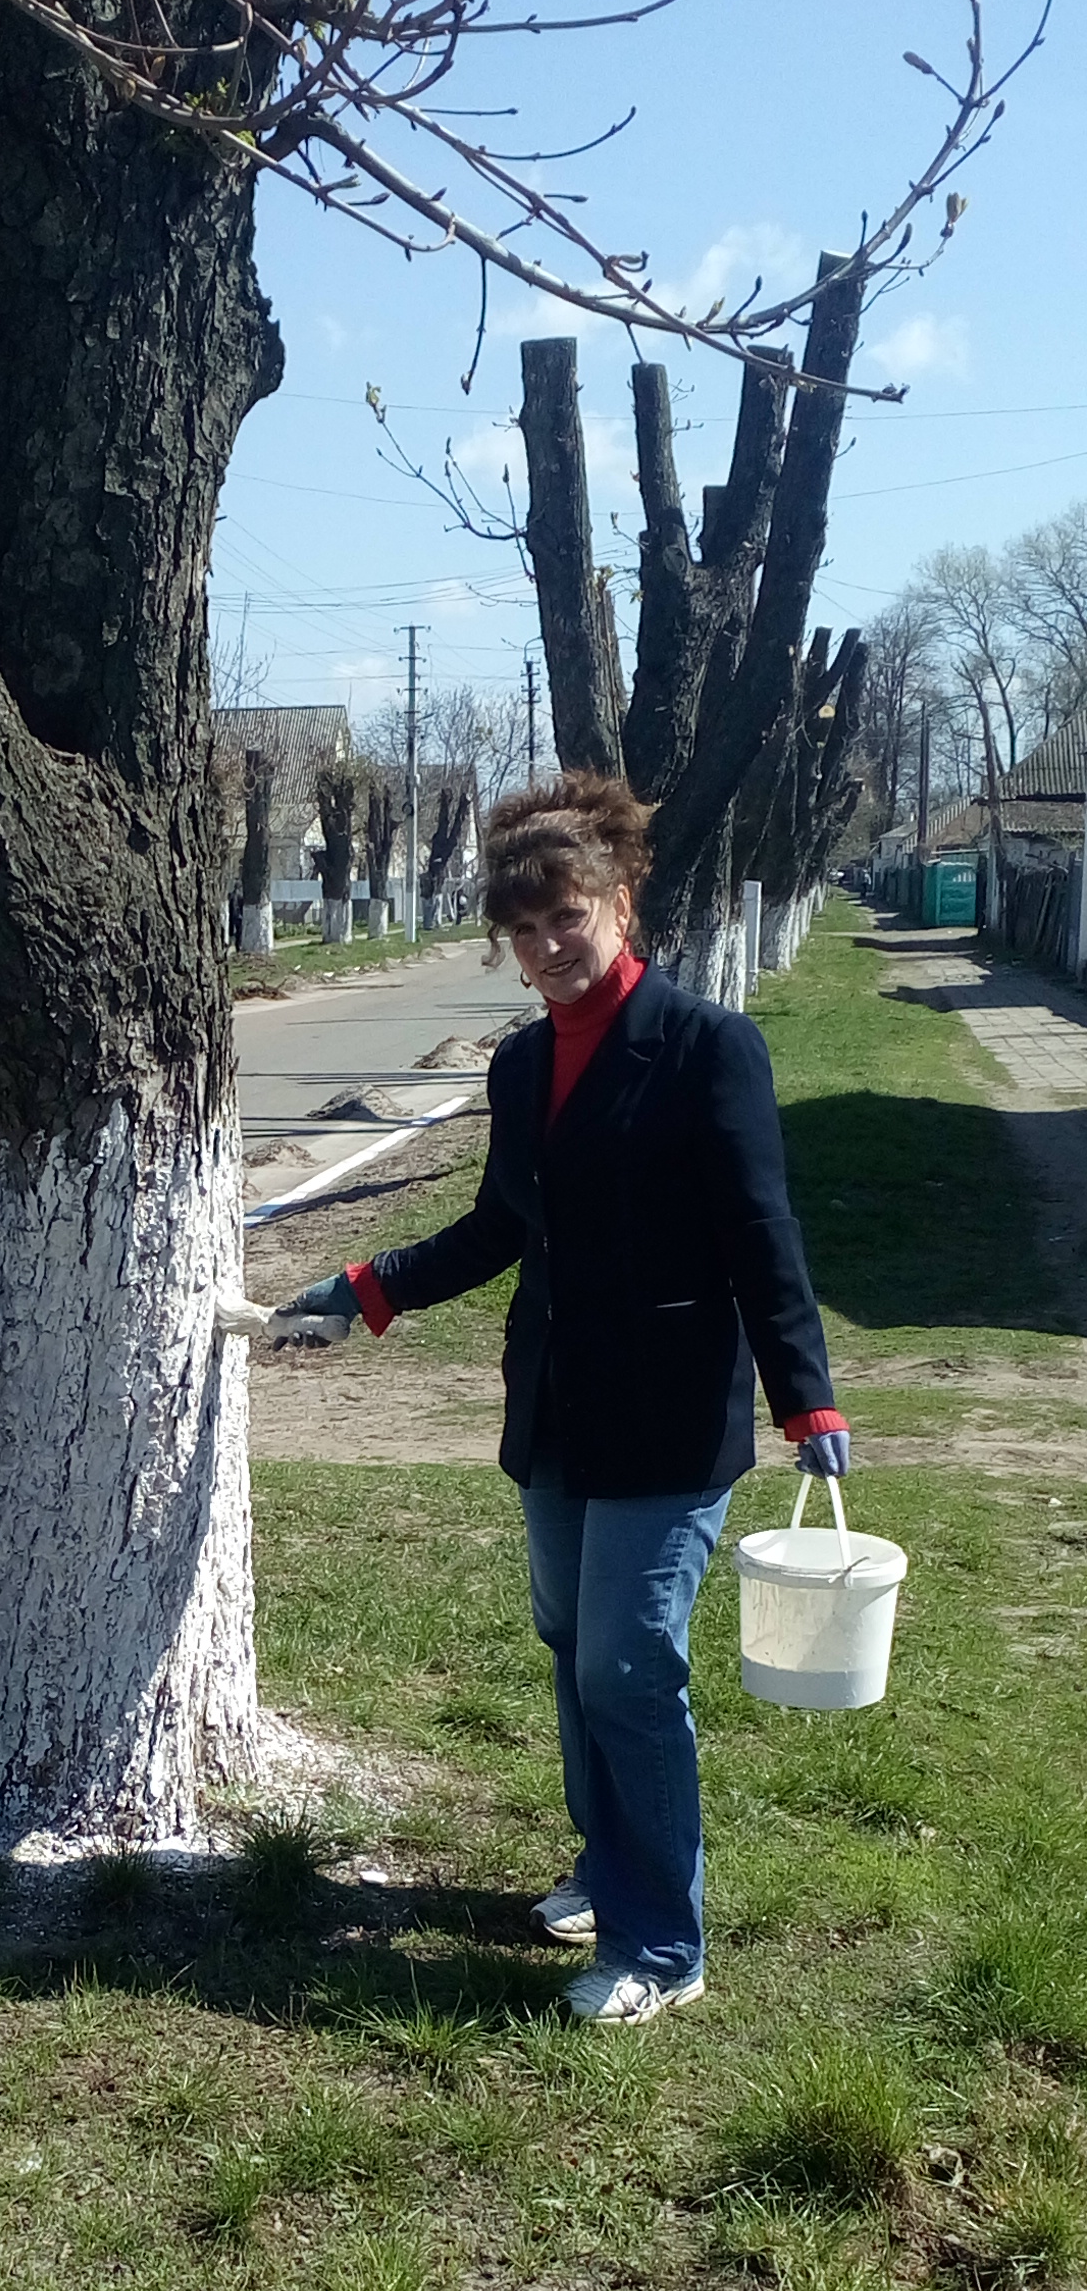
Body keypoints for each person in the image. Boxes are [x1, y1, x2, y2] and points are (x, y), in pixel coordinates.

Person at [277, 774, 850, 2027]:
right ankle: (608, 1865)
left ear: (619, 902)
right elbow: (501, 1225)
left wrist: (807, 1402)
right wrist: (366, 1286)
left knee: (630, 1666)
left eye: (567, 917)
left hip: (671, 1414)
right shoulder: (523, 1060)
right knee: (574, 1652)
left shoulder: (708, 1049)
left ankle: (660, 1945)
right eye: (523, 929)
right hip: (556, 1409)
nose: (546, 947)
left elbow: (762, 1234)